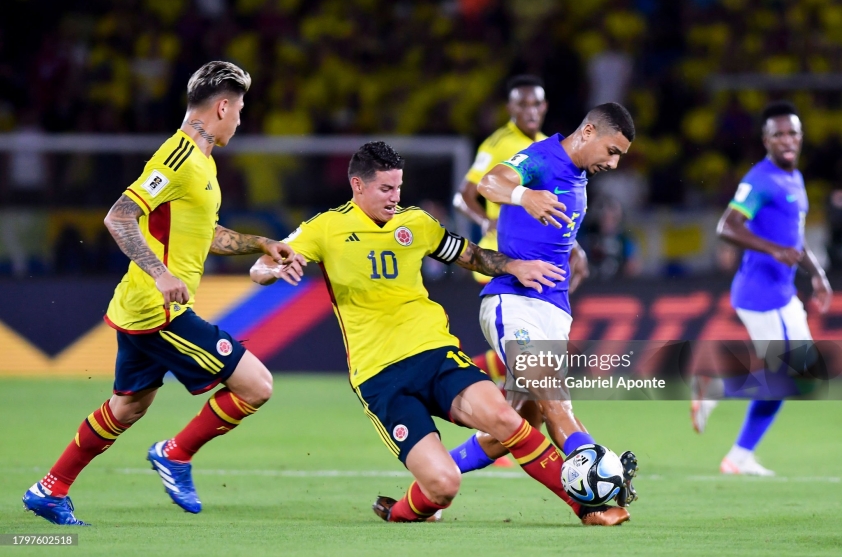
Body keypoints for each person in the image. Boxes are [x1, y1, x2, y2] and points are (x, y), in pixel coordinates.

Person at [251, 141, 627, 526]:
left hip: (435, 354)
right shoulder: (324, 228)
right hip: (380, 376)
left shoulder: (416, 223)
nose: (395, 197)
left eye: (398, 187)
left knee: (508, 420)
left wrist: (514, 265)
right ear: (357, 186)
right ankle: (400, 513)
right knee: (444, 486)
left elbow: (471, 255)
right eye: (385, 189)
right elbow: (262, 265)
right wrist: (275, 268)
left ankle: (586, 507)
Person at [22, 61, 303, 526]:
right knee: (256, 385)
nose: (241, 120)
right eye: (240, 110)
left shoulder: (202, 164)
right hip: (160, 310)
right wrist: (159, 272)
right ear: (223, 106)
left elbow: (206, 234)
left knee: (128, 407)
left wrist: (260, 243)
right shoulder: (176, 157)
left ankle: (49, 489)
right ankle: (175, 453)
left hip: (143, 308)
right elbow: (119, 216)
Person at [447, 103, 639, 515]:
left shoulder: (581, 176)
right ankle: (598, 493)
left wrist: (576, 250)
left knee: (520, 422)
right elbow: (490, 183)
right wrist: (523, 195)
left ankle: (437, 473)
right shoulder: (542, 158)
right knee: (556, 399)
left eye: (619, 155)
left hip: (553, 307)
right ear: (588, 131)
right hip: (513, 300)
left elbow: (557, 229)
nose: (614, 162)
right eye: (612, 150)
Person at [692, 101, 832, 475]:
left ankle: (738, 458)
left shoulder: (795, 178)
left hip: (783, 294)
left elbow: (794, 239)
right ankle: (715, 390)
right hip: (760, 294)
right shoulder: (760, 180)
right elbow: (728, 226)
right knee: (792, 378)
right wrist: (774, 250)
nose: (787, 140)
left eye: (792, 133)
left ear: (800, 138)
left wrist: (815, 271)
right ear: (766, 140)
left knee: (801, 378)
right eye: (778, 134)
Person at [451, 75, 589, 448]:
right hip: (500, 260)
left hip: (541, 263)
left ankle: (480, 426)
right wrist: (486, 220)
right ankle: (463, 387)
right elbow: (465, 195)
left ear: (544, 107)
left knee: (528, 401)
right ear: (511, 109)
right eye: (522, 105)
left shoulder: (548, 147)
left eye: (536, 104)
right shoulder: (498, 144)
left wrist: (573, 245)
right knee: (530, 371)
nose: (529, 111)